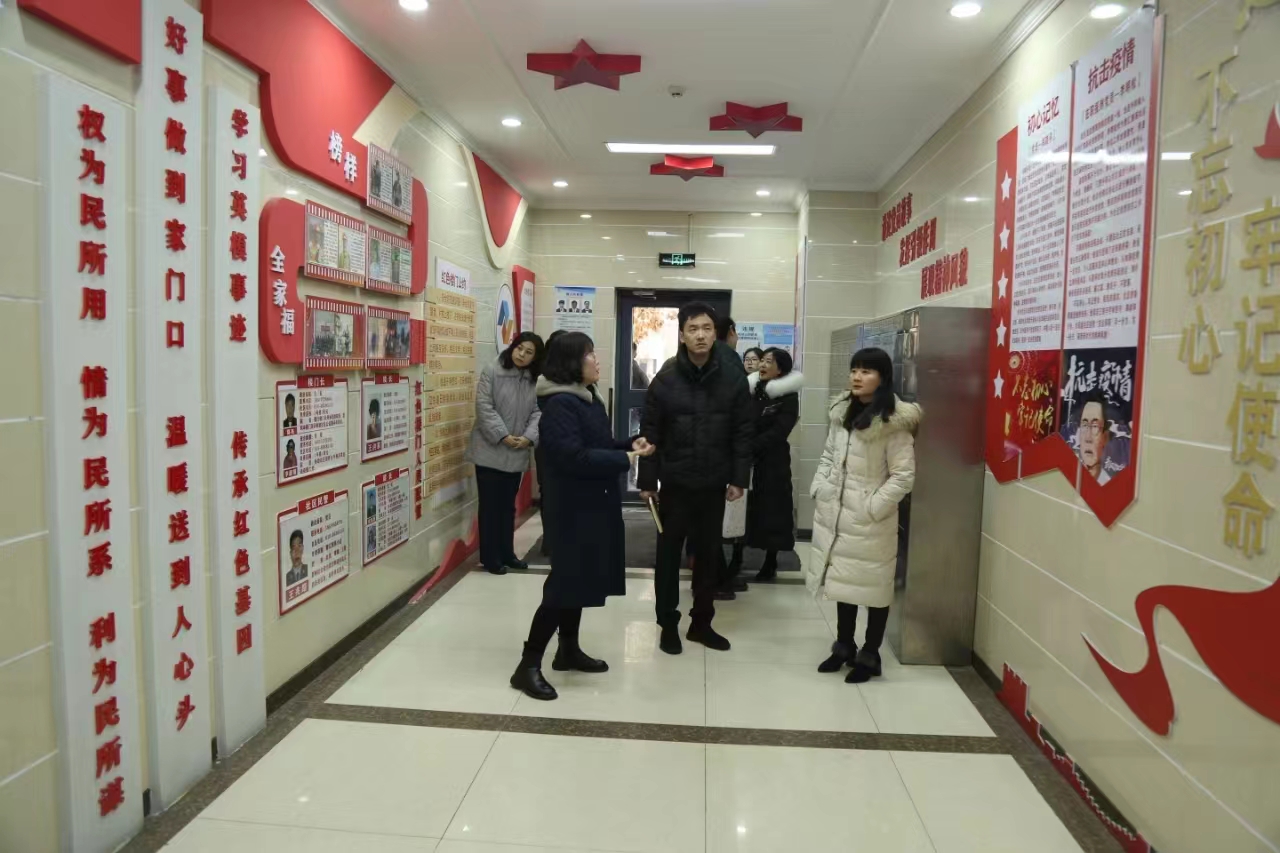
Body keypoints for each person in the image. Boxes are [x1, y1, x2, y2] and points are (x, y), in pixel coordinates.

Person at [510, 332, 656, 700]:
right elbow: (572, 458)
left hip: (592, 504)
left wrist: (629, 444)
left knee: (577, 582)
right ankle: (527, 665)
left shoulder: (586, 398)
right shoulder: (560, 404)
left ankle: (568, 650)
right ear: (572, 362)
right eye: (590, 354)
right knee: (563, 584)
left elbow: (597, 446)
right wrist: (623, 459)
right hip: (571, 508)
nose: (597, 359)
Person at [639, 302, 753, 654]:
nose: (700, 335)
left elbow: (743, 432)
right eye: (693, 329)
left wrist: (739, 478)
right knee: (668, 557)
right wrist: (647, 482)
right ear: (682, 335)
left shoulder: (733, 378)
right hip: (675, 484)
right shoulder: (666, 379)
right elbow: (650, 433)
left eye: (706, 328)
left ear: (715, 333)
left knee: (707, 557)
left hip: (713, 483)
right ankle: (667, 625)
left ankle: (701, 624)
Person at [808, 348, 920, 683]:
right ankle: (844, 646)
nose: (857, 377)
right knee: (844, 582)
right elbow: (828, 455)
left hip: (871, 520)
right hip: (838, 513)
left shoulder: (893, 421)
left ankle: (870, 654)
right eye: (854, 370)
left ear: (883, 377)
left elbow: (903, 476)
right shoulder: (842, 411)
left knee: (874, 588)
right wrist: (821, 486)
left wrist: (873, 507)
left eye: (866, 371)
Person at [467, 331, 545, 575]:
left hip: (517, 449)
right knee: (490, 507)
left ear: (535, 357)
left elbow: (539, 412)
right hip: (490, 449)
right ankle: (490, 557)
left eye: (529, 352)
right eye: (519, 348)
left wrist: (528, 437)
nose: (522, 354)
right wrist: (503, 435)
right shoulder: (492, 370)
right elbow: (484, 407)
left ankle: (507, 554)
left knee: (507, 507)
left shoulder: (535, 379)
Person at [743, 348, 803, 582]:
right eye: (762, 361)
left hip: (773, 461)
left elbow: (780, 431)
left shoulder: (788, 396)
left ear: (781, 369)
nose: (762, 365)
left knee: (773, 510)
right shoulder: (753, 390)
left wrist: (752, 445)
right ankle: (738, 556)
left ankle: (771, 561)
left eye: (769, 362)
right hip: (748, 458)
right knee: (747, 510)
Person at [534, 330, 566, 559]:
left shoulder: (574, 375)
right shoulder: (542, 378)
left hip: (562, 445)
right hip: (548, 446)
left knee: (556, 494)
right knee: (550, 493)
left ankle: (556, 540)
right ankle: (551, 540)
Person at [1075, 391, 1111, 484]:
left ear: (1105, 437)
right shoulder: (1069, 474)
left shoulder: (1109, 484)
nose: (1088, 438)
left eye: (1095, 426)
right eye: (1084, 425)